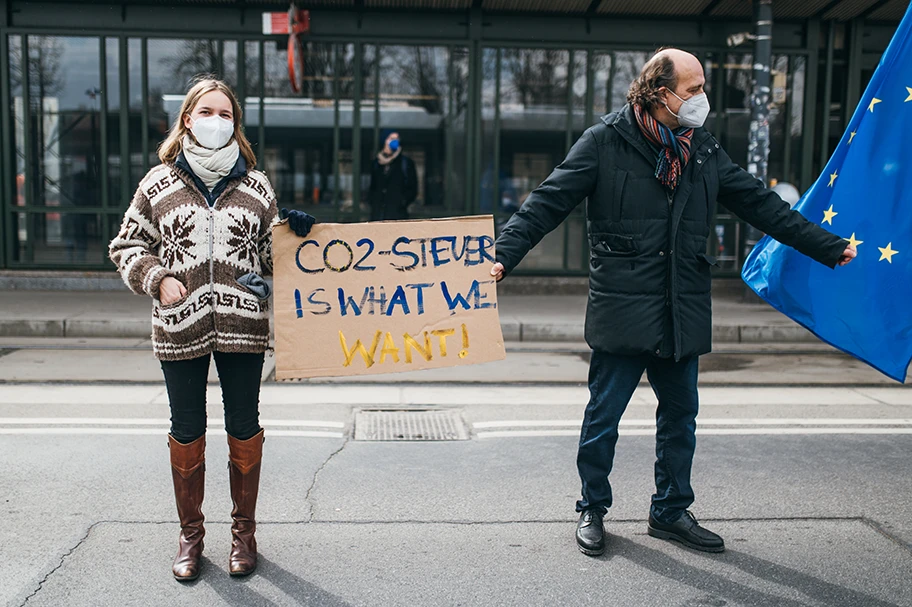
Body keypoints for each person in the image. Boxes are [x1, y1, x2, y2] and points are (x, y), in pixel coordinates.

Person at [489, 49, 856, 557]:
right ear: (661, 93)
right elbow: (545, 204)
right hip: (622, 308)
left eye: (703, 87)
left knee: (681, 418)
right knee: (603, 417)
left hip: (680, 307)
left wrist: (828, 246)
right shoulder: (604, 142)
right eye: (695, 88)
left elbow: (762, 205)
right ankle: (592, 507)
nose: (703, 98)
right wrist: (502, 258)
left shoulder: (702, 149)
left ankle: (669, 511)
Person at [109, 77, 314, 581]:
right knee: (187, 429)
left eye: (226, 114)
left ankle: (244, 535)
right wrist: (157, 279)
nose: (217, 121)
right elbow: (126, 246)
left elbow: (269, 259)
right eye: (208, 111)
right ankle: (191, 535)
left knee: (243, 428)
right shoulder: (157, 185)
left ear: (235, 125)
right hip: (180, 326)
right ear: (187, 118)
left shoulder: (258, 186)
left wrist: (293, 234)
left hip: (242, 323)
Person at [368, 130, 417, 221]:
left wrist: (402, 202)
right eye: (391, 138)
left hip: (397, 214)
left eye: (397, 139)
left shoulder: (405, 163)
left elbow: (412, 188)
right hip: (378, 214)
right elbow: (373, 187)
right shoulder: (376, 163)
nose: (395, 141)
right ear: (385, 141)